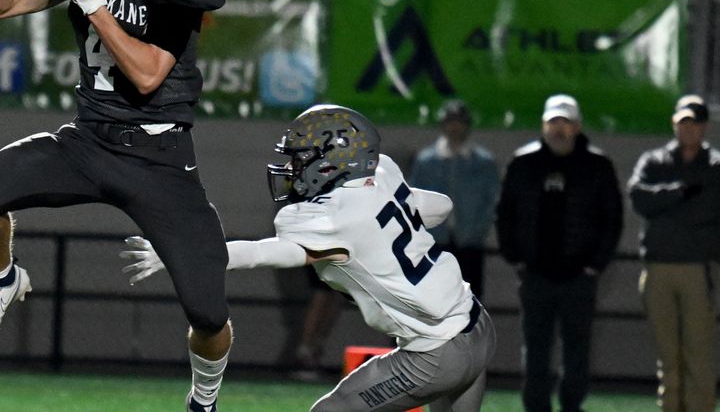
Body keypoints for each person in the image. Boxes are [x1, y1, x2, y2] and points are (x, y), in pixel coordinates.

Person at [0, 0, 232, 412]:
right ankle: (4, 279)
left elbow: (150, 74)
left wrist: (95, 6)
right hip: (89, 140)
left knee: (207, 311)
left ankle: (203, 400)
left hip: (159, 157)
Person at [121, 104, 496, 411]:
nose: (294, 168)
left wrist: (175, 254)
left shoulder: (329, 217)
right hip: (478, 326)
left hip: (435, 353)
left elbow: (256, 253)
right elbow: (442, 207)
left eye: (303, 158)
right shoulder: (382, 174)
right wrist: (397, 215)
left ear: (334, 161)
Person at [495, 94, 623, 412]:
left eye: (565, 123)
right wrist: (514, 256)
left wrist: (595, 264)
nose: (558, 129)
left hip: (579, 277)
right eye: (553, 122)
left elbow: (613, 218)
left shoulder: (598, 165)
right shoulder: (522, 163)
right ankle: (536, 407)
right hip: (535, 275)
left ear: (577, 127)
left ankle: (571, 406)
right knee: (535, 351)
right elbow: (505, 213)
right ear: (543, 125)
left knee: (577, 351)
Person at [628, 94, 720, 412]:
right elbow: (638, 197)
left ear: (704, 127)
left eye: (693, 124)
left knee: (699, 353)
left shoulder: (714, 166)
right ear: (674, 125)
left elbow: (707, 210)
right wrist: (680, 193)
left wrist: (667, 206)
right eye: (682, 123)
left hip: (698, 268)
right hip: (658, 267)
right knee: (667, 355)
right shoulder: (655, 161)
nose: (687, 130)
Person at [409, 99, 500, 298]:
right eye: (450, 121)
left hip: (470, 242)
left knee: (469, 297)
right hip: (435, 241)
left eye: (458, 121)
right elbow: (413, 199)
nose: (454, 127)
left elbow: (491, 201)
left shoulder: (483, 162)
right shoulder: (427, 161)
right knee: (434, 296)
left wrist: (477, 232)